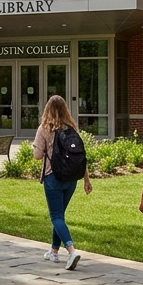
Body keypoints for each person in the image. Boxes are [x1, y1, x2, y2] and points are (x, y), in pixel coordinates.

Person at [34, 94, 91, 270]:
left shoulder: (44, 128)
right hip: (71, 179)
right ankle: (53, 251)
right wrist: (86, 180)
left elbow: (37, 156)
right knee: (60, 216)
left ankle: (71, 250)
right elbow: (82, 157)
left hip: (53, 178)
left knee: (56, 217)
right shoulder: (71, 128)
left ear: (47, 109)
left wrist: (39, 148)